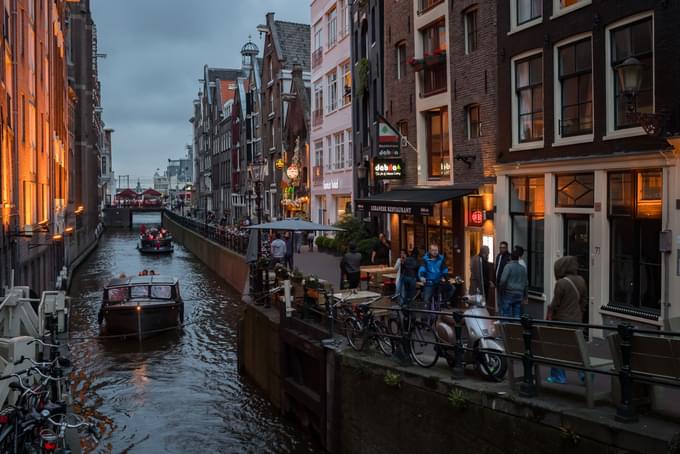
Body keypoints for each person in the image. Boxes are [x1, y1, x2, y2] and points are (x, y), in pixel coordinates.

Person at [546, 256, 588, 384]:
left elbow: (556, 303)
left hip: (562, 321)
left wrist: (550, 309)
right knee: (577, 348)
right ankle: (585, 374)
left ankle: (559, 376)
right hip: (577, 320)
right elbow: (583, 301)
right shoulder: (581, 280)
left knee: (558, 349)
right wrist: (579, 312)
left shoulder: (561, 283)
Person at [418, 244, 451, 309]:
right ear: (429, 251)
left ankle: (442, 303)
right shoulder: (425, 259)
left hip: (438, 281)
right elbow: (422, 268)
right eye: (433, 250)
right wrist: (422, 276)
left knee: (451, 289)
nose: (435, 252)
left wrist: (446, 278)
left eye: (436, 250)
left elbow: (444, 269)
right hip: (429, 281)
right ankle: (425, 317)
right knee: (426, 299)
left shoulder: (441, 258)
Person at [498, 250, 528, 318]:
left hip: (509, 293)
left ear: (510, 257)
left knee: (505, 314)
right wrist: (525, 296)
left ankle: (506, 327)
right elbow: (526, 283)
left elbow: (503, 280)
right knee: (517, 314)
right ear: (518, 258)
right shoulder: (522, 268)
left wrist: (500, 290)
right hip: (519, 294)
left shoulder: (508, 267)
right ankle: (515, 327)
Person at [495, 241, 511, 312]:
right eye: (500, 247)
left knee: (504, 302)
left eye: (503, 248)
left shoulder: (509, 257)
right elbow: (496, 268)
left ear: (506, 248)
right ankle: (500, 318)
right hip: (498, 282)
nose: (501, 249)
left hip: (505, 284)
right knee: (499, 301)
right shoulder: (498, 256)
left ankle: (504, 319)